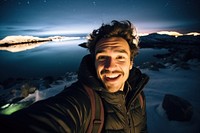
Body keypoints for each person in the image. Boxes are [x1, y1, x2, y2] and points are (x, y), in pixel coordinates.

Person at [0, 20, 149, 133]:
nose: (110, 67)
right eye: (102, 57)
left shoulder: (138, 96)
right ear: (94, 62)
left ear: (131, 63)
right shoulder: (82, 101)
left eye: (120, 57)